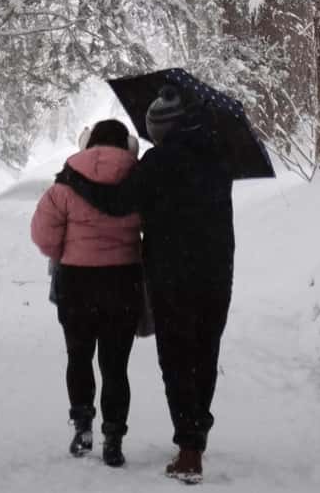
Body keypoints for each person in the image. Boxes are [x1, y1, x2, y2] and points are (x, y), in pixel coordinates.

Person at [56, 85, 235, 485]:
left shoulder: (158, 162)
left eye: (153, 128)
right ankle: (196, 431)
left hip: (172, 272)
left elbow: (118, 202)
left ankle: (189, 450)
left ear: (163, 128)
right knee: (205, 352)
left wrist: (73, 180)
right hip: (217, 271)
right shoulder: (219, 158)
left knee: (176, 357)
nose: (150, 135)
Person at [30, 119, 143, 467]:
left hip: (76, 283)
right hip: (123, 281)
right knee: (115, 365)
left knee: (78, 356)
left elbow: (43, 235)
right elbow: (158, 228)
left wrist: (68, 249)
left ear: (89, 143)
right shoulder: (141, 181)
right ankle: (114, 437)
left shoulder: (65, 182)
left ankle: (82, 427)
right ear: (126, 146)